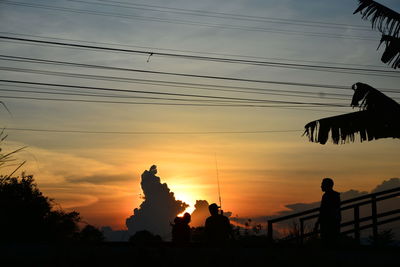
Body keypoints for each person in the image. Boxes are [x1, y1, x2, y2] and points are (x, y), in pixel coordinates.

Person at [314, 178, 341, 246]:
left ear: (327, 185)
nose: (321, 186)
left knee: (327, 241)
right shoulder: (334, 195)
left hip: (328, 222)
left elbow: (323, 210)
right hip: (332, 221)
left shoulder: (328, 196)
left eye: (322, 184)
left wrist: (318, 222)